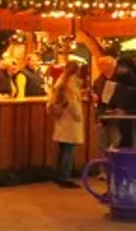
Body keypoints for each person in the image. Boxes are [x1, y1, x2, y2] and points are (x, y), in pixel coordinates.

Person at [49, 60, 84, 188]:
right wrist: (79, 116)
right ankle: (64, 177)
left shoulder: (61, 82)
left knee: (63, 149)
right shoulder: (71, 84)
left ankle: (59, 175)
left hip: (62, 119)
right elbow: (73, 103)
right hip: (70, 120)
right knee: (69, 149)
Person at [107, 58, 136, 149]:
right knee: (124, 145)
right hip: (122, 124)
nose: (119, 70)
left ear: (131, 69)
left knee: (133, 145)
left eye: (122, 67)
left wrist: (128, 113)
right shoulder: (120, 84)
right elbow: (114, 101)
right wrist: (113, 109)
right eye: (118, 67)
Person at [91, 55, 120, 150]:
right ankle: (104, 162)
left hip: (116, 115)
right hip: (102, 114)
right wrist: (93, 95)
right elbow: (94, 91)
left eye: (103, 65)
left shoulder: (119, 79)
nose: (100, 67)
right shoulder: (99, 80)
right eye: (100, 65)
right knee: (102, 144)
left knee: (116, 141)